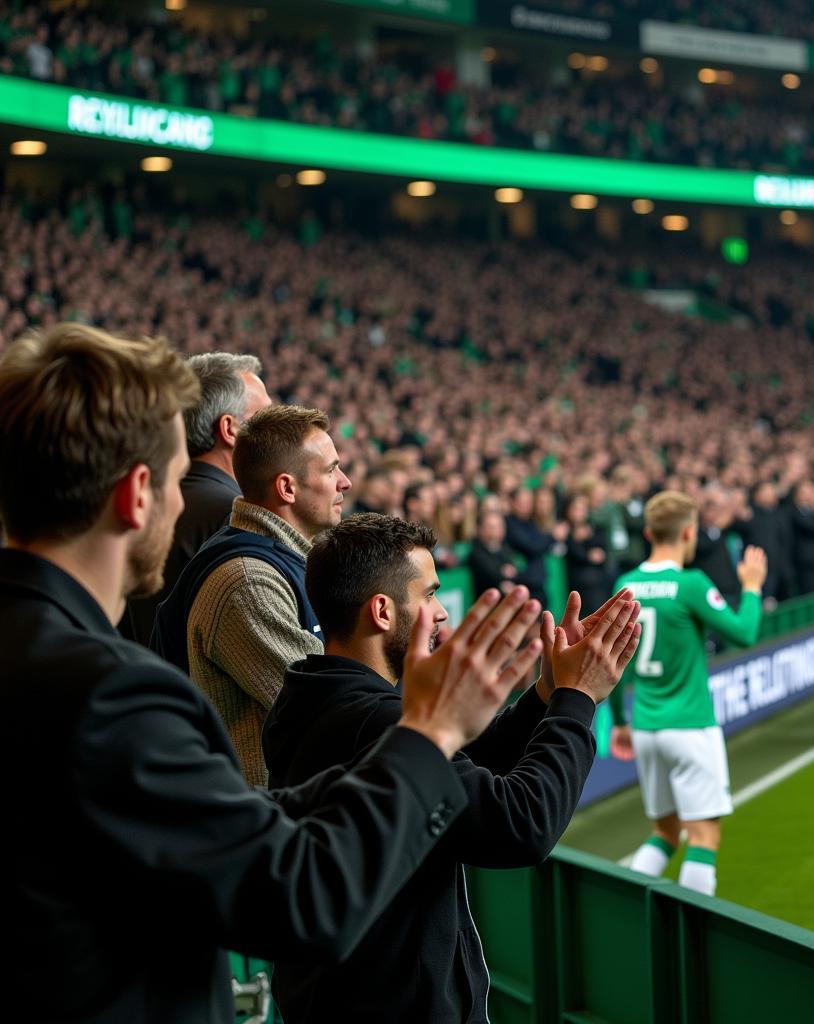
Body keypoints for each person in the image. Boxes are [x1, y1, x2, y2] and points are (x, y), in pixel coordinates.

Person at [0, 323, 546, 1024]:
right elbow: (306, 898)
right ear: (138, 495)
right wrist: (429, 730)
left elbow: (230, 821)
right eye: (176, 483)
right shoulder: (112, 696)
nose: (182, 505)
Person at [263, 514, 641, 1022]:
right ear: (381, 611)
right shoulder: (377, 719)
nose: (441, 613)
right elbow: (521, 824)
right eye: (430, 594)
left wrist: (546, 695)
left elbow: (459, 770)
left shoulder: (310, 695)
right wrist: (578, 700)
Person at [151, 405, 348, 785]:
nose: (345, 482)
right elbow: (331, 712)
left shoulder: (283, 558)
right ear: (287, 487)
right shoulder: (248, 584)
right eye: (330, 469)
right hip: (261, 821)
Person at [609, 491, 767, 896]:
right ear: (689, 533)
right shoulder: (690, 583)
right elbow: (745, 633)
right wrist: (751, 588)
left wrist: (621, 723)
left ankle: (630, 906)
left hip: (646, 726)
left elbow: (611, 663)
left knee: (664, 831)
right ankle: (694, 935)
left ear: (648, 532)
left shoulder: (625, 585)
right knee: (703, 837)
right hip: (691, 725)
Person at [124, 351, 271, 644]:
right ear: (230, 429)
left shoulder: (145, 503)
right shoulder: (239, 515)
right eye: (266, 417)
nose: (279, 428)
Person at [562, 492, 612, 616]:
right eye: (576, 509)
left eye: (583, 509)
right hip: (574, 583)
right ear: (568, 510)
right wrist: (576, 542)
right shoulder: (564, 530)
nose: (580, 513)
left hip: (597, 582)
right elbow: (577, 554)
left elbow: (602, 553)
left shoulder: (594, 529)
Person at [468, 508, 523, 597]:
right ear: (480, 529)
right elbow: (490, 575)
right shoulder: (476, 553)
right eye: (491, 527)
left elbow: (515, 572)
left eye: (499, 526)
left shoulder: (506, 549)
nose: (497, 530)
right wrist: (502, 576)